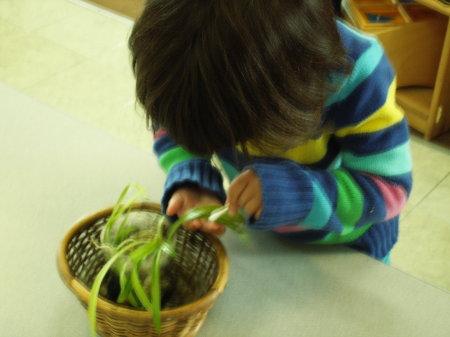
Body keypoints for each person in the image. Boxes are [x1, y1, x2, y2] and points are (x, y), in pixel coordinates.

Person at [128, 0, 413, 262]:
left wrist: (296, 194)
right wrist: (192, 175)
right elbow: (171, 118)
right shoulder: (183, 60)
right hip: (270, 242)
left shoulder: (359, 74)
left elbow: (390, 189)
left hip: (347, 248)